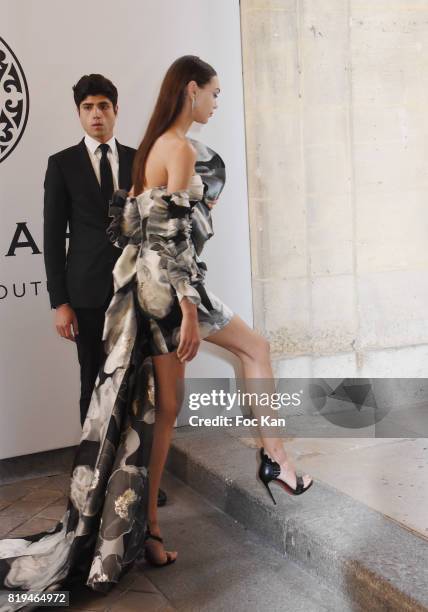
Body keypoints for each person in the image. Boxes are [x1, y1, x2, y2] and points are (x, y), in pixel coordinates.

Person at [0, 56, 313, 610]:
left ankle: (147, 530)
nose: (216, 102)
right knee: (255, 349)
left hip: (144, 290)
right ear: (191, 91)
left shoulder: (146, 149)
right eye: (213, 93)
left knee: (165, 407)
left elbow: (134, 229)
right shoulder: (180, 147)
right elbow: (171, 246)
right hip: (170, 291)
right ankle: (277, 458)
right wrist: (189, 310)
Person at [42, 73, 167, 508]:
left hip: (138, 292)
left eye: (104, 106)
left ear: (116, 109)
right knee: (94, 384)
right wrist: (60, 302)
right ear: (79, 113)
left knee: (138, 386)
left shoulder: (141, 158)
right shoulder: (62, 164)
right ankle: (91, 481)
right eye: (88, 108)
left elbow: (157, 226)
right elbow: (53, 236)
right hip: (89, 294)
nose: (97, 114)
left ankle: (139, 483)